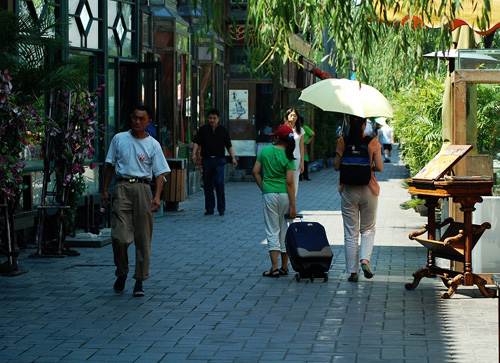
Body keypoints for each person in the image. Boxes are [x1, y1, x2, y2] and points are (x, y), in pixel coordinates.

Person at [102, 105, 171, 297]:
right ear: (130, 119)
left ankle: (139, 280)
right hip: (122, 187)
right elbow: (109, 165)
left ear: (148, 121)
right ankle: (122, 272)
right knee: (119, 237)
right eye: (134, 118)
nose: (137, 122)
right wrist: (104, 190)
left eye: (142, 119)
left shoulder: (153, 144)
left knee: (143, 238)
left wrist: (157, 196)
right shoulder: (119, 139)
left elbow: (160, 174)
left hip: (143, 189)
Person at [334, 115, 383, 283]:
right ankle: (364, 260)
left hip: (348, 189)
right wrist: (369, 165)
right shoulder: (372, 141)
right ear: (364, 124)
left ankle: (352, 272)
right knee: (368, 228)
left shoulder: (343, 140)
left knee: (350, 232)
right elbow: (380, 167)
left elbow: (336, 166)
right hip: (369, 188)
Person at [252, 124, 297, 277]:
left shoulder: (264, 151)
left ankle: (275, 267)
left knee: (272, 230)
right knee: (284, 229)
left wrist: (264, 187)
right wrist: (293, 205)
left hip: (269, 194)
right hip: (285, 195)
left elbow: (255, 172)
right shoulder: (289, 156)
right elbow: (290, 182)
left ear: (277, 137)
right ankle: (285, 267)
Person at [192, 109, 237, 216]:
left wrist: (233, 157)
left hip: (219, 160)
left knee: (219, 183)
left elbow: (229, 145)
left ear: (218, 119)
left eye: (214, 118)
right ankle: (209, 209)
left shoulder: (223, 130)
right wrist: (193, 154)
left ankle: (221, 208)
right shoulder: (203, 130)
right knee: (208, 185)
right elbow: (197, 142)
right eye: (210, 118)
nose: (212, 120)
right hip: (207, 160)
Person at [282, 108, 304, 196]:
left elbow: (301, 147)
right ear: (287, 116)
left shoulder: (301, 130)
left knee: (294, 181)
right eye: (291, 115)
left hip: (296, 159)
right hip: (284, 158)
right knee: (285, 180)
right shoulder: (283, 129)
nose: (293, 117)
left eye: (295, 115)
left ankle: (292, 203)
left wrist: (302, 162)